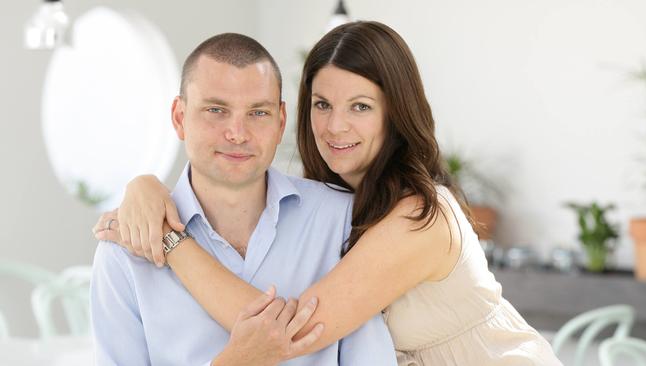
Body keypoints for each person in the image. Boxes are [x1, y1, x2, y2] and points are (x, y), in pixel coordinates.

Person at [96, 21, 562, 365]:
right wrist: (146, 186)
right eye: (323, 105)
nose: (336, 126)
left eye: (360, 106)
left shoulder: (418, 215)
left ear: (395, 114)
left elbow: (284, 331)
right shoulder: (347, 205)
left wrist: (170, 241)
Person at [90, 32, 397, 366]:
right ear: (179, 117)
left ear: (281, 122)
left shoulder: (341, 220)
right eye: (216, 110)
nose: (237, 133)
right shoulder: (124, 252)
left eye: (258, 113)